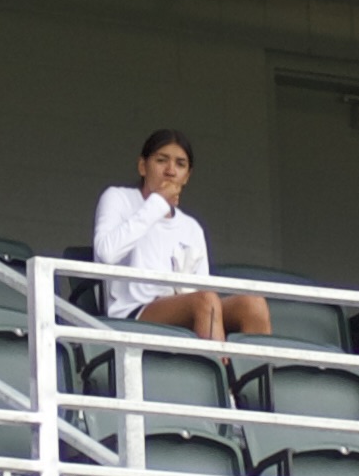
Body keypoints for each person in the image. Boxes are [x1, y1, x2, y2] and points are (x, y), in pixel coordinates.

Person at [93, 127, 268, 341]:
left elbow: (202, 287)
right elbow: (106, 254)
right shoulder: (118, 198)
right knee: (205, 301)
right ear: (142, 166)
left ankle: (250, 374)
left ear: (187, 176)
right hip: (133, 313)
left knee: (253, 305)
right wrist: (157, 203)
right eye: (161, 160)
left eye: (180, 164)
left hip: (186, 308)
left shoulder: (191, 227)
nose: (170, 170)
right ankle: (217, 371)